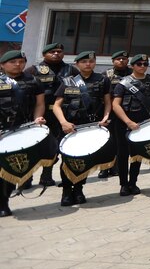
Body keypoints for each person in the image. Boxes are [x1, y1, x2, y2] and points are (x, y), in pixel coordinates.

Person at [52, 51, 112, 206]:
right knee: (67, 159)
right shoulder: (67, 81)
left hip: (91, 127)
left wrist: (105, 117)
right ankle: (66, 191)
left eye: (91, 61)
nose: (88, 64)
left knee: (85, 159)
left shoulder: (102, 80)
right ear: (77, 64)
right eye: (84, 61)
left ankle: (78, 189)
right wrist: (63, 122)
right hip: (70, 127)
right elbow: (57, 106)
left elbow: (107, 102)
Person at [0, 50, 46, 217]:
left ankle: (4, 199)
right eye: (13, 62)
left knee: (12, 165)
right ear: (2, 65)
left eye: (21, 61)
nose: (18, 65)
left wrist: (37, 119)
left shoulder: (33, 81)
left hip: (22, 130)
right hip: (1, 130)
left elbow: (40, 104)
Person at [111, 54, 150, 195]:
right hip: (125, 121)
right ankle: (123, 184)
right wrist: (128, 122)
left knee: (138, 153)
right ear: (132, 66)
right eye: (139, 64)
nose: (142, 66)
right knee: (123, 153)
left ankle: (133, 183)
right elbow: (115, 105)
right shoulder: (123, 82)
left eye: (145, 64)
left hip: (144, 121)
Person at [25, 42, 72, 188]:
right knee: (32, 146)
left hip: (61, 115)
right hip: (39, 115)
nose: (56, 54)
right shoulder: (33, 70)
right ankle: (27, 178)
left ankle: (46, 175)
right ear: (44, 54)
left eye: (59, 51)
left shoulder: (71, 70)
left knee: (54, 146)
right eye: (52, 52)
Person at [99, 50, 130, 179]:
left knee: (121, 141)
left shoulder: (132, 74)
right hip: (109, 112)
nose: (121, 61)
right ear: (113, 61)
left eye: (124, 59)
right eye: (118, 59)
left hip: (126, 112)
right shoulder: (106, 75)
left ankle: (117, 166)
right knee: (107, 141)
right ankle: (104, 168)